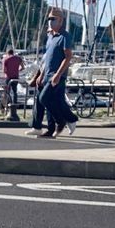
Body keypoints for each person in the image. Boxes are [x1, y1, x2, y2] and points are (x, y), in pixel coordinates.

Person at [31, 8, 77, 138]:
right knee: (51, 101)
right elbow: (47, 58)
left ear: (61, 20)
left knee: (44, 98)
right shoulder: (50, 36)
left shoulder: (64, 36)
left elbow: (68, 57)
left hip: (57, 76)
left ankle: (67, 119)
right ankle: (51, 129)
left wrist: (58, 74)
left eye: (53, 19)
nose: (50, 22)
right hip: (46, 75)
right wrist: (41, 74)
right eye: (49, 19)